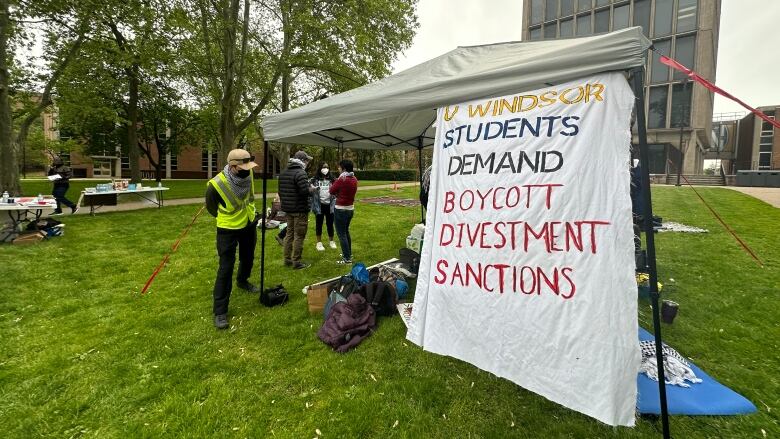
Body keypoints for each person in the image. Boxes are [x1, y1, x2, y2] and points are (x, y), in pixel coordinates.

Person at [205, 149, 261, 330]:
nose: (247, 170)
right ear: (232, 166)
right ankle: (220, 311)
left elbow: (249, 197)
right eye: (243, 167)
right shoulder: (215, 184)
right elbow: (212, 208)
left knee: (248, 257)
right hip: (227, 229)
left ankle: (243, 280)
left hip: (248, 223)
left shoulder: (249, 173)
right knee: (226, 268)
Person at [278, 150, 316, 269]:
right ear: (303, 161)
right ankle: (297, 261)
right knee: (299, 235)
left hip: (288, 209)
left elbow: (280, 191)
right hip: (299, 209)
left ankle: (287, 259)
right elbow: (304, 191)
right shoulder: (301, 173)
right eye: (307, 160)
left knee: (289, 234)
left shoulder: (284, 172)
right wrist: (312, 189)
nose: (308, 163)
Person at [330, 159, 358, 264]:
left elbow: (331, 190)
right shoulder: (354, 178)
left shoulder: (342, 179)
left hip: (341, 209)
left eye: (339, 167)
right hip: (350, 209)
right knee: (346, 232)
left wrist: (338, 192)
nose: (338, 168)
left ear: (344, 168)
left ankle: (347, 259)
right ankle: (348, 253)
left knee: (341, 234)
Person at [310, 162, 337, 251]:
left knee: (330, 224)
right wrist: (312, 188)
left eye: (327, 167)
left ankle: (331, 241)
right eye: (323, 167)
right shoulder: (315, 179)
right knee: (319, 224)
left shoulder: (332, 179)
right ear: (320, 168)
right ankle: (319, 243)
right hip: (319, 205)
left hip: (330, 205)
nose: (325, 169)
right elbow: (309, 187)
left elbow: (337, 189)